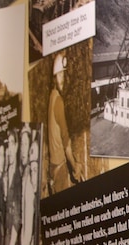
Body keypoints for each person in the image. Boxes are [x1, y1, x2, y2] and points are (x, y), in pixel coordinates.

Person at [48, 52, 84, 196]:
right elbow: (66, 144)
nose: (63, 79)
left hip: (53, 166)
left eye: (63, 75)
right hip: (60, 168)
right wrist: (76, 167)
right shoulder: (58, 102)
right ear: (54, 77)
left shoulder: (52, 96)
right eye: (60, 75)